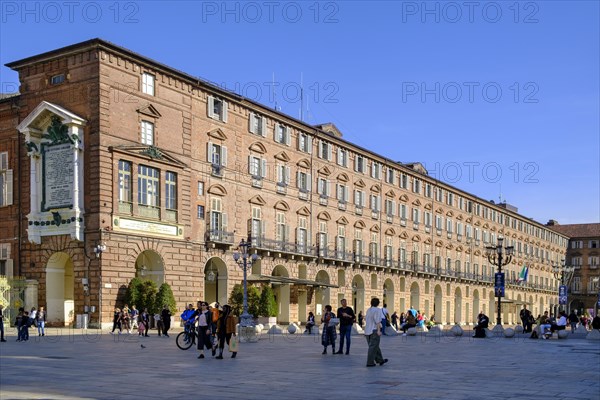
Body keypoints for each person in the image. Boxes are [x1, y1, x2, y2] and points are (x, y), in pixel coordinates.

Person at [364, 297, 387, 367]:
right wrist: (379, 331)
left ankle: (380, 360)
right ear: (378, 303)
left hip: (367, 331)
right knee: (373, 347)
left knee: (375, 346)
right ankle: (370, 362)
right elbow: (377, 321)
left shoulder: (368, 310)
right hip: (374, 330)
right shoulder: (377, 310)